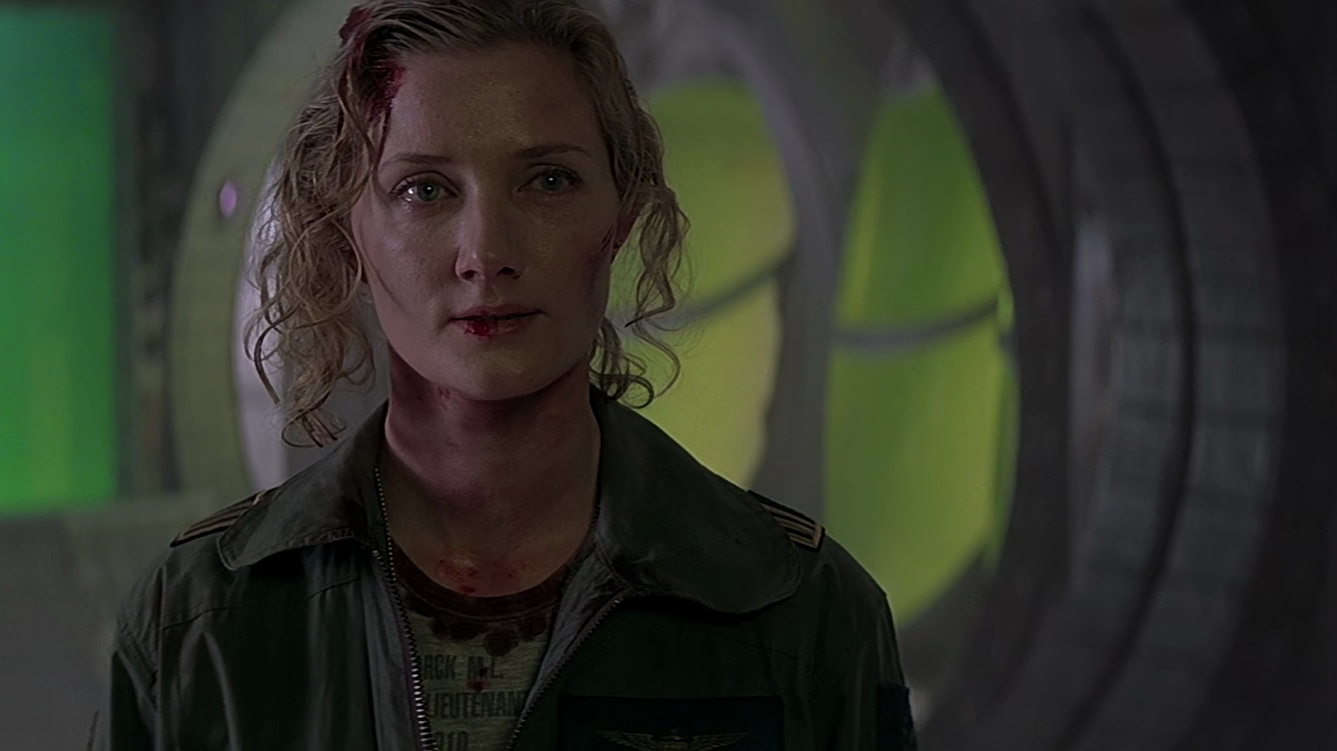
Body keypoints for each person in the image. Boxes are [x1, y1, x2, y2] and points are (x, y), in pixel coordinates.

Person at [92, 1, 916, 748]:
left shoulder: (800, 611)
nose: (486, 252)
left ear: (620, 215)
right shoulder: (199, 625)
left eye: (548, 180)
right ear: (349, 229)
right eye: (424, 189)